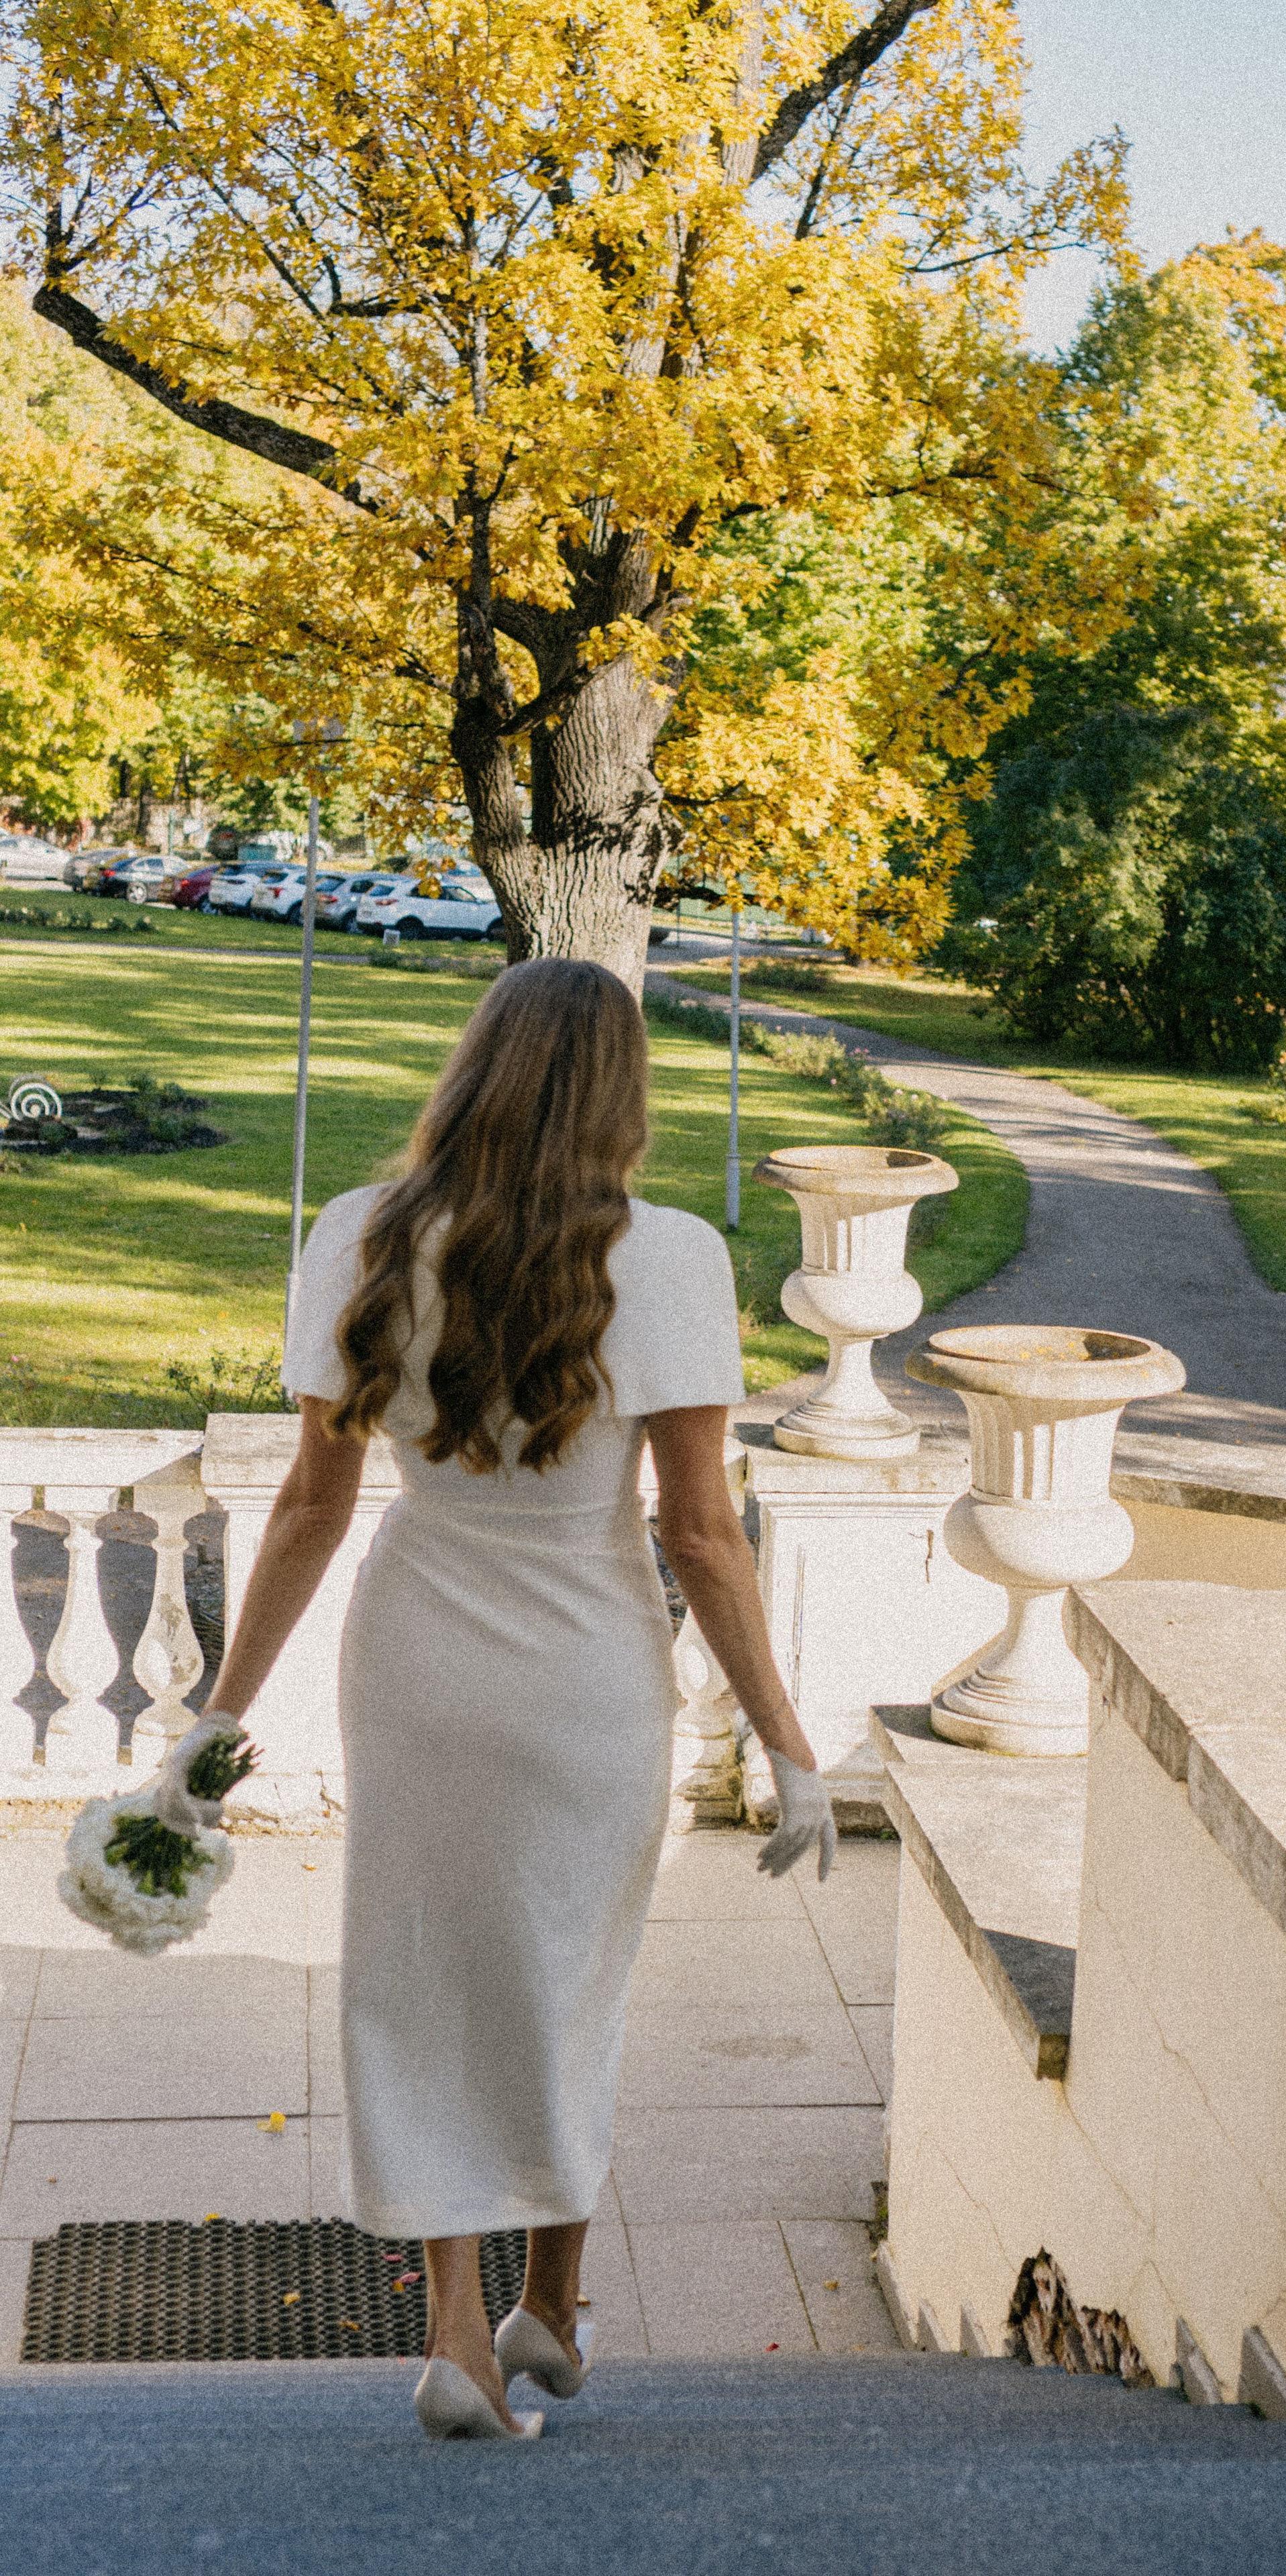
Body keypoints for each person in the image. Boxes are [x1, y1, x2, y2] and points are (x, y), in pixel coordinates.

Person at [156, 959, 835, 2440]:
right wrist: (788, 1746)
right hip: (588, 1678)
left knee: (424, 1981)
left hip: (415, 1663)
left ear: (469, 1070)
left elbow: (308, 1513)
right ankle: (545, 2301)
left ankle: (480, 2332)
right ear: (623, 1093)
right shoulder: (668, 1258)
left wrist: (217, 1710)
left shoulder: (360, 1235)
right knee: (566, 1981)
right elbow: (700, 1535)